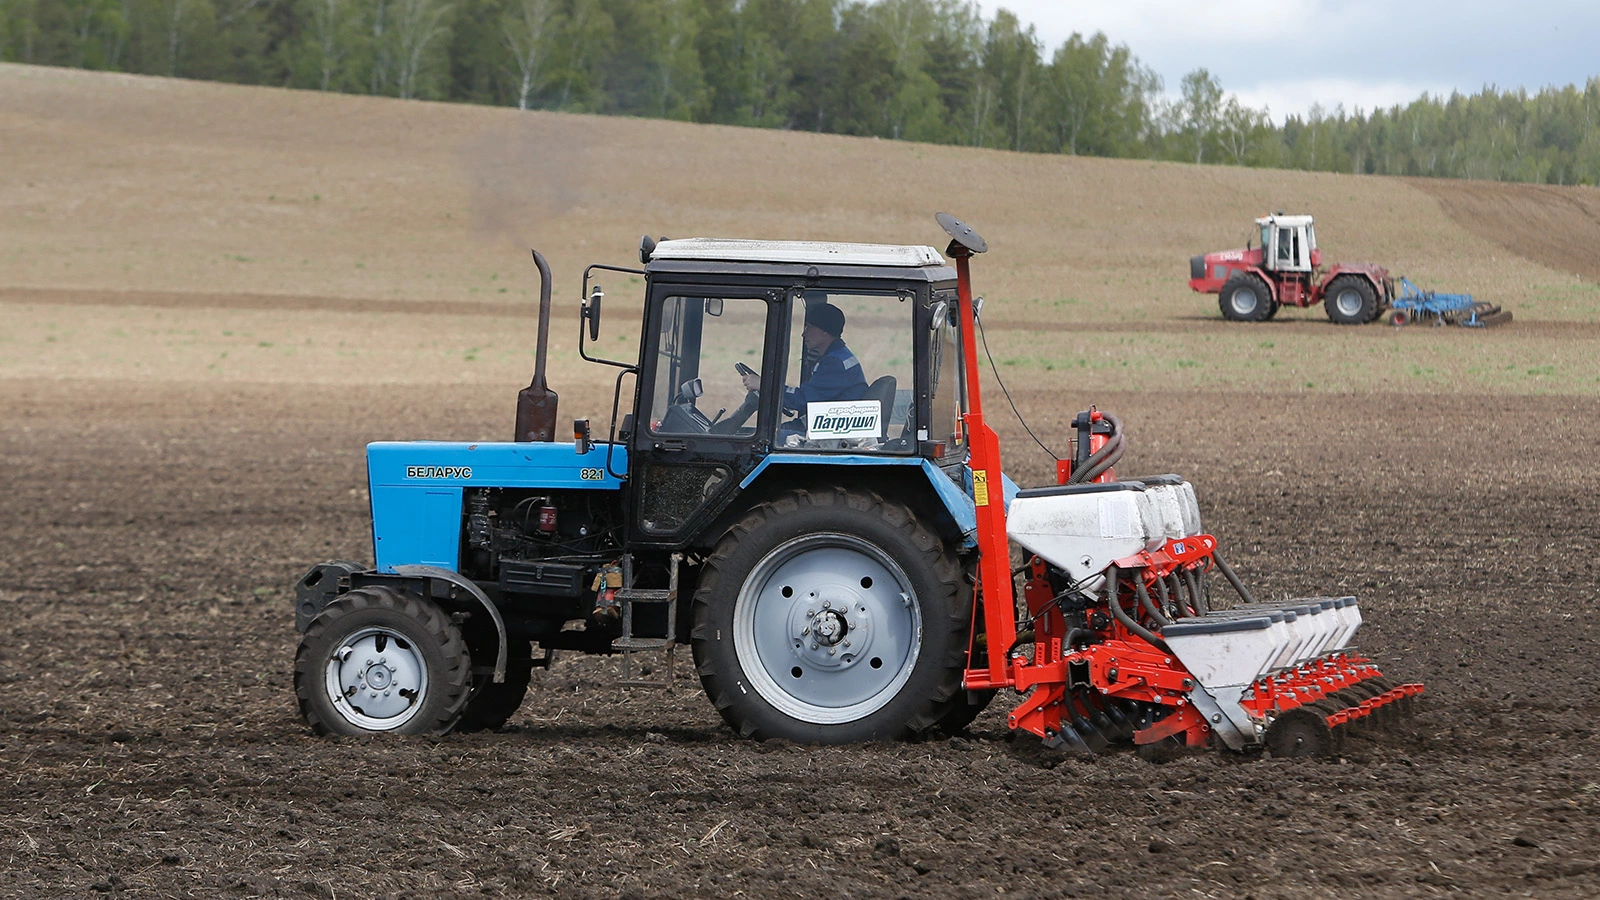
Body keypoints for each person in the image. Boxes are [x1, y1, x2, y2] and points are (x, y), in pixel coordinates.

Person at [740, 302, 867, 415]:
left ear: (825, 331)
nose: (803, 334)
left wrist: (765, 385)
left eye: (809, 327)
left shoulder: (835, 363)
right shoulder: (838, 356)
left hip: (829, 436)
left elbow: (805, 399)